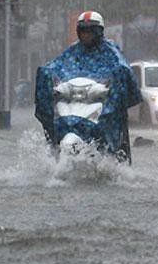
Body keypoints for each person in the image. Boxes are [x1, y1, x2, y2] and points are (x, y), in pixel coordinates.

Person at [35, 11, 141, 158]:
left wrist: (114, 83)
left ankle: (112, 151)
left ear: (98, 32)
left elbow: (123, 68)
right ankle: (54, 142)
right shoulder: (73, 50)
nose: (86, 35)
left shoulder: (110, 50)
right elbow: (55, 65)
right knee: (56, 121)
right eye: (83, 31)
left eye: (90, 31)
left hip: (102, 100)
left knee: (113, 124)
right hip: (74, 98)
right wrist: (46, 75)